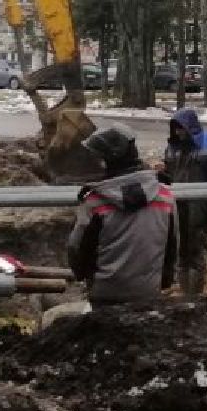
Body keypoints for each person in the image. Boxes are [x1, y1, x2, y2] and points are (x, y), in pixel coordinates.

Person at [66, 123, 177, 304]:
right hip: (149, 291)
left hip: (105, 292)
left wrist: (84, 277)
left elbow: (76, 248)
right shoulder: (164, 196)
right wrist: (164, 280)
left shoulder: (95, 202)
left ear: (108, 159)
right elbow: (172, 245)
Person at [163, 108, 207, 294]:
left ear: (190, 127)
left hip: (199, 205)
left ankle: (195, 294)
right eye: (176, 129)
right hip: (177, 205)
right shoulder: (173, 147)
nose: (178, 132)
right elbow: (168, 174)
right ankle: (186, 291)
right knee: (181, 250)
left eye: (181, 128)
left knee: (195, 251)